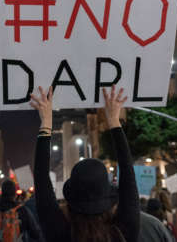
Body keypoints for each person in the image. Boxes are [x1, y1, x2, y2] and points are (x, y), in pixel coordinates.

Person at [32, 86, 140, 242]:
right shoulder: (123, 232)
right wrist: (114, 121)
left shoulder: (60, 233)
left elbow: (41, 179)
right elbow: (128, 174)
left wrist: (46, 122)